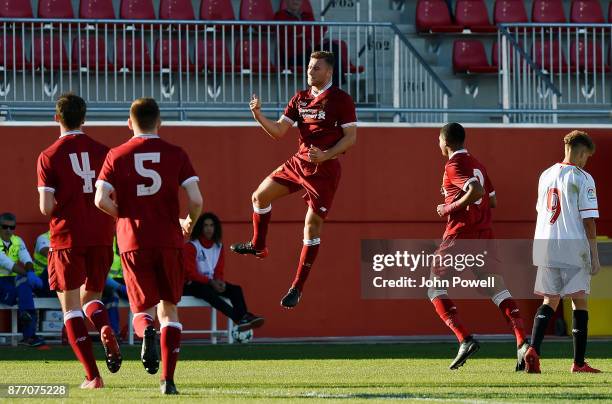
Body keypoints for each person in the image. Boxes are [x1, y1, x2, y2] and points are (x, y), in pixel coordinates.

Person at [230, 51, 357, 309]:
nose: (310, 72)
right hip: (299, 163)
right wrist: (258, 115)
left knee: (311, 227)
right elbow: (278, 131)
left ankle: (297, 287)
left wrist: (326, 154)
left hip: (325, 170)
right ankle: (258, 245)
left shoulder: (341, 100)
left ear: (329, 72)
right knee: (259, 196)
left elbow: (350, 138)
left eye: (316, 68)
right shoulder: (300, 98)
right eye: (309, 67)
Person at [95, 97, 203, 395]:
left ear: (129, 123)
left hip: (133, 240)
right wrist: (188, 222)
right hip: (169, 238)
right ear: (160, 121)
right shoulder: (176, 153)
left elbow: (99, 200)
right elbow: (196, 200)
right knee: (170, 309)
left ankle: (146, 332)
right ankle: (167, 380)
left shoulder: (116, 155)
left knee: (142, 308)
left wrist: (126, 215)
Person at [37, 93, 122, 389]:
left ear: (57, 117)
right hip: (100, 235)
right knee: (92, 299)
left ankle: (93, 376)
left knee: (71, 308)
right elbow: (114, 196)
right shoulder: (106, 152)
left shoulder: (48, 155)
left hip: (67, 236)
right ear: (84, 118)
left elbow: (46, 207)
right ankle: (104, 324)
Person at [430, 122, 529, 370]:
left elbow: (475, 191)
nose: (438, 145)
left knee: (434, 288)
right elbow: (491, 200)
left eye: (439, 140)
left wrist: (449, 207)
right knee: (497, 290)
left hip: (461, 235)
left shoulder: (454, 165)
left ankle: (464, 338)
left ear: (446, 142)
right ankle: (522, 342)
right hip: (484, 235)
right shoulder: (478, 164)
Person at [524, 131, 600, 374]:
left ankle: (533, 349)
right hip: (572, 246)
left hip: (546, 244)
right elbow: (589, 221)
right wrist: (595, 256)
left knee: (550, 300)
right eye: (587, 156)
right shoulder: (583, 177)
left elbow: (541, 211)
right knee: (580, 303)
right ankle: (578, 363)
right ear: (581, 152)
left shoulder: (545, 175)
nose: (586, 160)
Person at [184, 213, 265, 332]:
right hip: (192, 284)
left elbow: (218, 269)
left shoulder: (218, 246)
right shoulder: (191, 246)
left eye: (211, 225)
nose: (208, 228)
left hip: (210, 283)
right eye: (205, 225)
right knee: (207, 292)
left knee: (235, 289)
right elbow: (190, 273)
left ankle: (243, 317)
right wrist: (211, 282)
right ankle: (239, 318)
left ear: (215, 228)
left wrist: (220, 282)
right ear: (200, 228)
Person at [0, 212, 45, 347]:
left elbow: (26, 258)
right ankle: (30, 334)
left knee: (24, 288)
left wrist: (31, 272)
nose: (8, 230)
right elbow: (7, 263)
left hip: (12, 280)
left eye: (12, 227)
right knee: (22, 292)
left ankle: (28, 333)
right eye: (5, 227)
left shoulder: (17, 241)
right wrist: (28, 274)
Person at [102, 237, 128, 338]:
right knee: (112, 296)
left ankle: (146, 332)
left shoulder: (130, 241)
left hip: (126, 283)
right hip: (109, 284)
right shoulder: (107, 241)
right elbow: (102, 275)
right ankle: (114, 333)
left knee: (146, 298)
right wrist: (120, 287)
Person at [32, 229, 55, 297]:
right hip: (40, 277)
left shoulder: (67, 238)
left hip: (54, 278)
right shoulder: (43, 238)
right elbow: (45, 251)